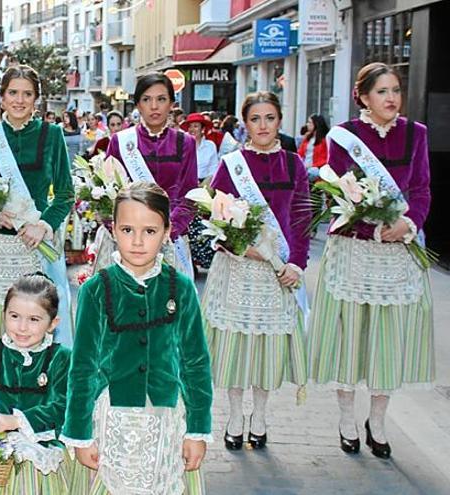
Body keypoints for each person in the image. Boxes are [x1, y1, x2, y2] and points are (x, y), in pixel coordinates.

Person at [307, 63, 433, 459]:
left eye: (396, 89)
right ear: (363, 96)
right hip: (355, 251)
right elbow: (338, 196)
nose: (391, 98)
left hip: (397, 255)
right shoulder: (346, 136)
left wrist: (408, 223)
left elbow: (422, 188)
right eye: (382, 91)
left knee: (386, 341)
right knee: (350, 339)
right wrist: (374, 230)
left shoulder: (417, 134)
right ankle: (347, 418)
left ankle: (377, 421)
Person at [63, 181, 211, 494]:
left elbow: (195, 361)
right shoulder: (95, 289)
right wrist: (79, 432)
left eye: (150, 231)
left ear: (167, 231)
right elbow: (83, 366)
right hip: (112, 419)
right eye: (128, 230)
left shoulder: (181, 288)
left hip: (167, 419)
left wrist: (197, 429)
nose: (138, 242)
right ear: (113, 230)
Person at [205, 91, 311, 451]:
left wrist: (296, 262)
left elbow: (301, 219)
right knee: (237, 349)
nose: (263, 125)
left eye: (270, 117)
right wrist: (240, 247)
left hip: (275, 272)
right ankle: (235, 415)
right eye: (255, 119)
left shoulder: (295, 165)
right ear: (244, 123)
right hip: (238, 268)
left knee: (265, 349)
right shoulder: (231, 164)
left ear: (280, 120)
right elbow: (214, 218)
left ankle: (261, 415)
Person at [0, 65, 75, 358]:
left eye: (27, 94)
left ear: (37, 99)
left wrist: (44, 224)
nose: (19, 100)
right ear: (2, 96)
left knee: (35, 323)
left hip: (36, 245)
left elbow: (65, 193)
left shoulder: (52, 135)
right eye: (13, 93)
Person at [0, 273, 72, 493]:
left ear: (52, 324)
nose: (22, 327)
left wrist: (18, 421)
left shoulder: (61, 360)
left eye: (34, 319)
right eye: (14, 316)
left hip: (40, 449)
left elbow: (64, 406)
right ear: (3, 314)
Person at [96, 73, 198, 280]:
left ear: (171, 103)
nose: (154, 106)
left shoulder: (185, 142)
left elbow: (190, 195)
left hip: (171, 238)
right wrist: (121, 230)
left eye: (161, 99)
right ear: (137, 105)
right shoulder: (120, 142)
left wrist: (168, 230)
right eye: (146, 99)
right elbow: (107, 193)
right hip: (126, 241)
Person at [182, 112, 220, 272]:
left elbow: (214, 171)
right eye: (190, 126)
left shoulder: (210, 146)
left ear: (203, 129)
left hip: (205, 188)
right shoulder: (182, 144)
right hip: (185, 188)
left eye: (196, 126)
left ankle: (200, 259)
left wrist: (202, 188)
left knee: (202, 225)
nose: (192, 129)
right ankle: (188, 260)